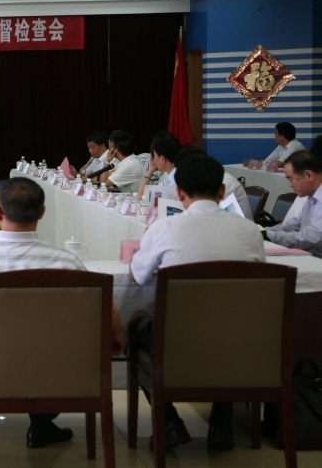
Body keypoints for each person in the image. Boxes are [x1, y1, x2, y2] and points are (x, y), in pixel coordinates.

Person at [0, 176, 125, 449]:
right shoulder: (67, 262)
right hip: (61, 367)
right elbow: (100, 308)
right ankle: (42, 422)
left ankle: (41, 424)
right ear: (42, 212)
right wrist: (117, 334)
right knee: (48, 340)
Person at [129, 154, 266, 451]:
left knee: (136, 332)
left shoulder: (164, 228)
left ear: (179, 193)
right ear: (221, 192)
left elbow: (138, 276)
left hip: (178, 340)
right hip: (241, 339)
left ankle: (170, 423)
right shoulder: (249, 231)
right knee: (225, 324)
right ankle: (221, 422)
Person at [265, 150, 322, 258]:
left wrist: (266, 234)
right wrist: (262, 230)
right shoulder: (312, 197)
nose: (290, 185)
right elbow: (292, 227)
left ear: (308, 175)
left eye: (291, 179)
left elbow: (308, 239)